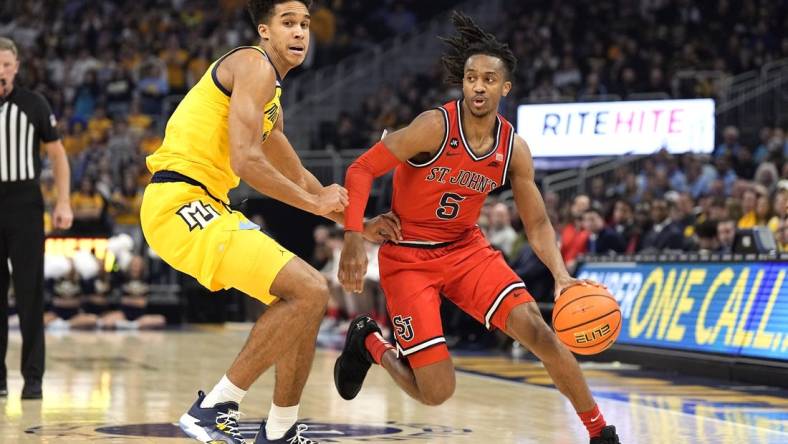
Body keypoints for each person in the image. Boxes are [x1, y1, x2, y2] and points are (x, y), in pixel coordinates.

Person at [334, 13, 620, 444]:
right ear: (463, 84)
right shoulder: (434, 126)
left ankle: (600, 433)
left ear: (505, 88)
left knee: (540, 333)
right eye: (471, 78)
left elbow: (537, 221)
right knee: (437, 391)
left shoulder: (512, 148)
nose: (478, 86)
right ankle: (370, 342)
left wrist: (562, 277)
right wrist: (355, 236)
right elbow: (360, 170)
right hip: (408, 256)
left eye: (488, 79)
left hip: (465, 250)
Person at [140, 2, 399, 443]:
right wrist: (318, 207)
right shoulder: (252, 65)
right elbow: (246, 159)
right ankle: (215, 405)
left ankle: (280, 429)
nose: (300, 33)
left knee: (307, 302)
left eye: (305, 24)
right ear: (264, 31)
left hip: (207, 204)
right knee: (311, 288)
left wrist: (358, 222)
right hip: (178, 200)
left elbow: (299, 176)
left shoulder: (269, 99)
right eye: (288, 23)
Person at [0, 37, 73, 400]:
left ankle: (33, 379)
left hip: (24, 202)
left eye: (6, 65)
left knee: (29, 292)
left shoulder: (33, 104)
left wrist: (63, 202)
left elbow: (58, 156)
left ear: (16, 66)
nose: (1, 72)